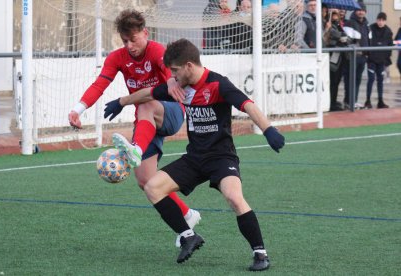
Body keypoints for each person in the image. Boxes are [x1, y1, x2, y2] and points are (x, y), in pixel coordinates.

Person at [106, 38, 285, 271]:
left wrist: (268, 130)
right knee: (152, 187)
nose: (172, 76)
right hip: (195, 158)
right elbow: (148, 94)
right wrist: (122, 101)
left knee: (233, 196)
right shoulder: (179, 87)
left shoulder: (219, 84)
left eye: (175, 71)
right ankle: (188, 235)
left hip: (222, 157)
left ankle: (260, 253)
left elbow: (248, 105)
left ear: (189, 66)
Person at [68, 10, 201, 245]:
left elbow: (172, 72)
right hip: (146, 121)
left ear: (145, 33)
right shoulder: (117, 58)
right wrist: (78, 110)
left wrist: (171, 79)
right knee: (146, 181)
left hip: (169, 113)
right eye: (125, 41)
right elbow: (100, 83)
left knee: (146, 102)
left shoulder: (158, 50)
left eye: (134, 39)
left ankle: (136, 149)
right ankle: (188, 215)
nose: (129, 45)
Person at [342, 2, 369, 109]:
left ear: (365, 12)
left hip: (363, 57)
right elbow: (347, 41)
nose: (361, 12)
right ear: (355, 11)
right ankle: (349, 101)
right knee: (350, 80)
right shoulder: (350, 23)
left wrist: (367, 54)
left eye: (363, 10)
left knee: (357, 79)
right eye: (359, 10)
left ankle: (354, 100)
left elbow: (369, 40)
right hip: (352, 57)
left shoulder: (366, 24)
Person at [365, 12, 393, 109]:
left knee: (380, 80)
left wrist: (386, 60)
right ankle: (367, 100)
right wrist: (368, 55)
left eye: (382, 20)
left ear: (385, 21)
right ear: (376, 19)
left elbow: (390, 46)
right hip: (371, 60)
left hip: (381, 61)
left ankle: (380, 101)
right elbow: (367, 42)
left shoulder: (388, 31)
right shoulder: (371, 28)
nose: (380, 22)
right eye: (379, 20)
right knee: (371, 79)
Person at [323, 9, 350, 111]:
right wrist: (341, 37)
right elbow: (335, 35)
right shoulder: (328, 24)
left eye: (336, 14)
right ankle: (330, 103)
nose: (335, 16)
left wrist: (343, 37)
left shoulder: (339, 25)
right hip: (332, 57)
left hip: (340, 57)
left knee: (337, 80)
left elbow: (347, 37)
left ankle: (333, 101)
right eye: (333, 14)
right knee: (333, 81)